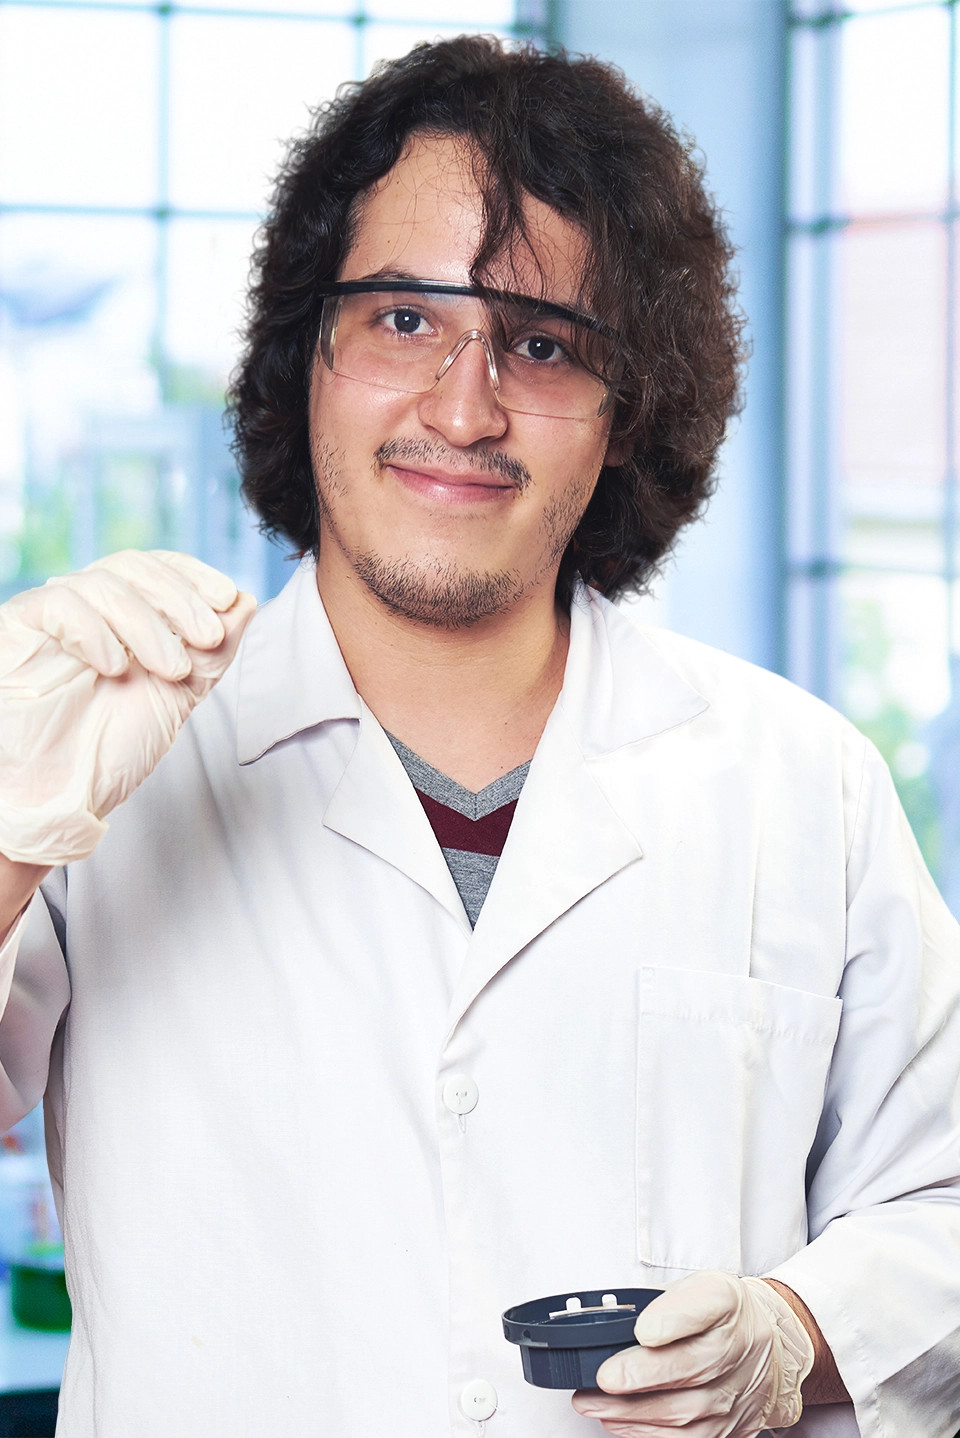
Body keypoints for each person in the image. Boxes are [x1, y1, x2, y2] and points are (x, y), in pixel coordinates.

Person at [0, 34, 957, 1438]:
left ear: (629, 412)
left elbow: (943, 1207)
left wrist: (795, 1334)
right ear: (307, 353)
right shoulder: (101, 764)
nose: (463, 406)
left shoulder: (801, 786)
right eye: (404, 319)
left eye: (544, 343)